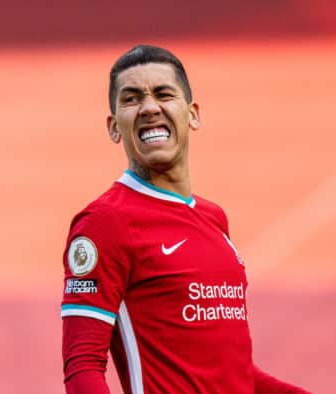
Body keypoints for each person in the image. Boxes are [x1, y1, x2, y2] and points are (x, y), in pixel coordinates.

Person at [60, 45, 309, 393]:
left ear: (192, 114)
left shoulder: (213, 219)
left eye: (163, 94)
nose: (149, 107)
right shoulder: (106, 223)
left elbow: (232, 374)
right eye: (132, 99)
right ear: (114, 127)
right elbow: (83, 365)